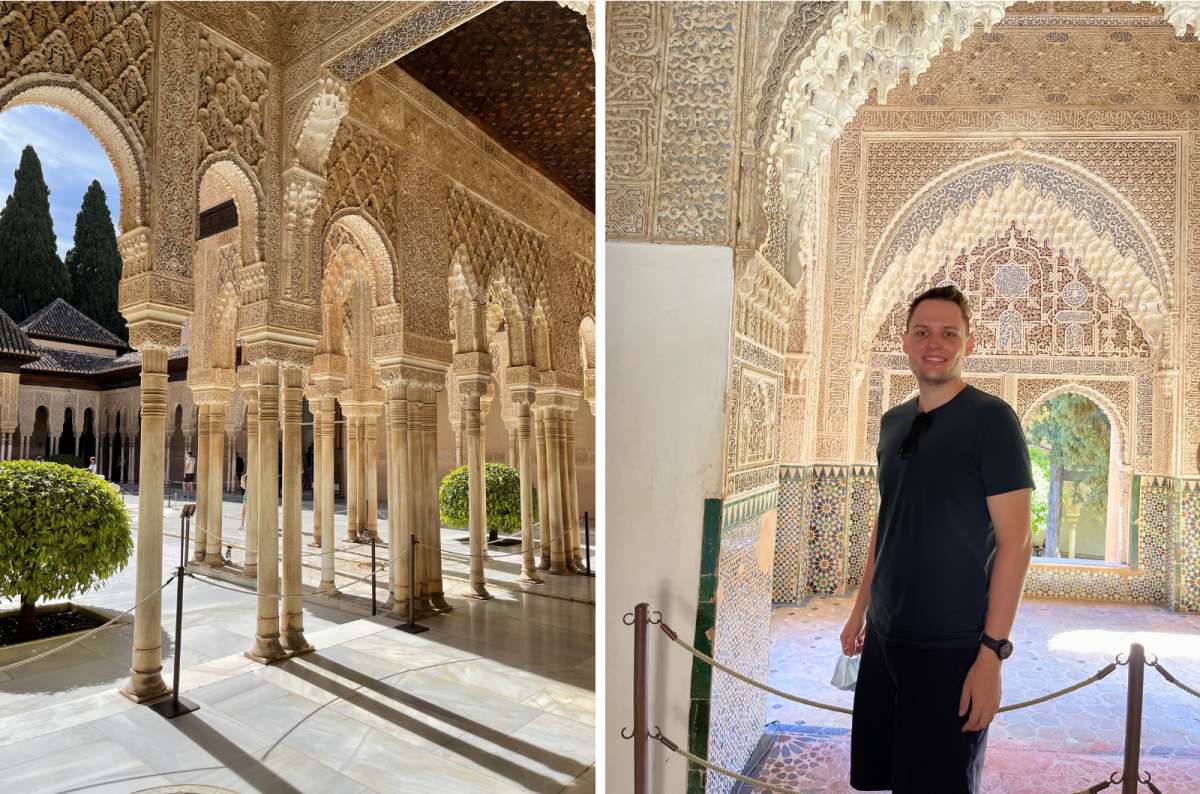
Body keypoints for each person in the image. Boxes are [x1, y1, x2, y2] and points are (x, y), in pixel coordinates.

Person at [843, 285, 1033, 794]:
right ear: (905, 341)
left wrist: (991, 655)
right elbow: (889, 521)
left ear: (967, 344)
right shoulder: (893, 422)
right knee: (888, 778)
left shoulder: (991, 421)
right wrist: (861, 610)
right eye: (923, 332)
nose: (935, 343)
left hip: (952, 648)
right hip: (886, 640)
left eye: (949, 333)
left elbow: (1016, 542)